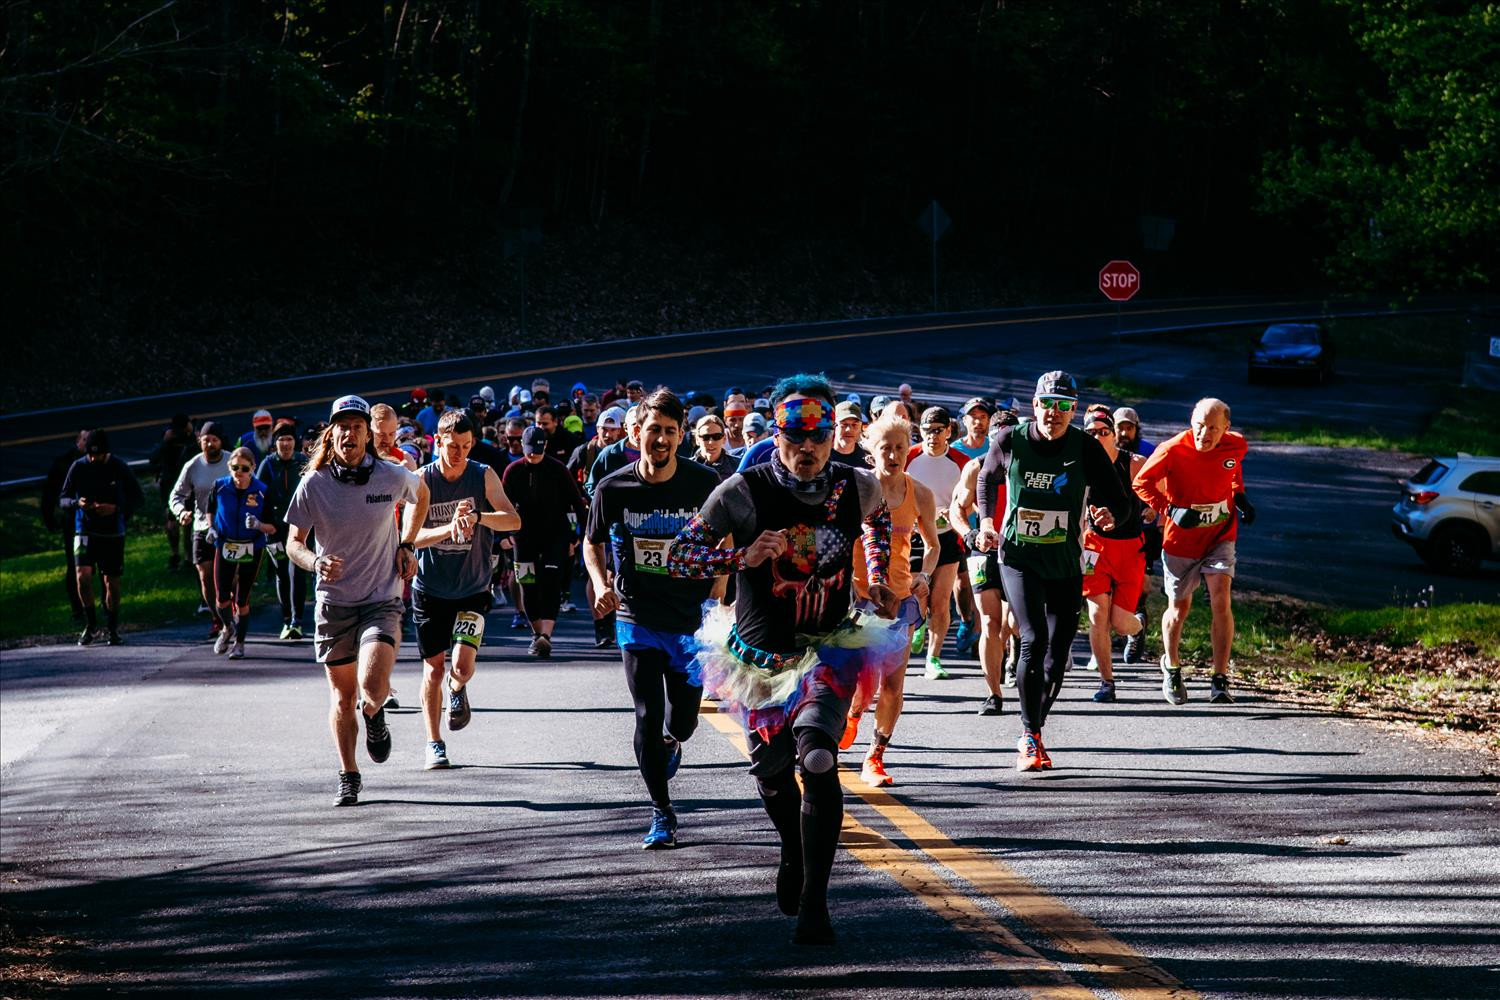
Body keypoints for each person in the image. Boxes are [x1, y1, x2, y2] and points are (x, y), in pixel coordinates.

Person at [667, 373, 905, 947]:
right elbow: (679, 558)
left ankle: (816, 906)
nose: (806, 448)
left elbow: (878, 526)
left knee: (819, 758)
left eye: (817, 437)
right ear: (776, 435)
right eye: (793, 436)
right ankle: (793, 854)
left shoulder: (861, 486)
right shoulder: (742, 491)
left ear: (833, 437)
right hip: (758, 657)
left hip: (829, 647)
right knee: (774, 779)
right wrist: (740, 554)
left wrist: (876, 573)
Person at [975, 371, 1133, 772]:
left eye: (1064, 406)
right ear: (1035, 405)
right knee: (1032, 638)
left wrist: (1108, 516)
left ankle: (1035, 723)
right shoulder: (1011, 439)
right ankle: (1031, 736)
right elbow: (986, 479)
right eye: (1048, 404)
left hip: (1064, 561)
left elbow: (1121, 501)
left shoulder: (1085, 447)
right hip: (1019, 557)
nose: (1055, 413)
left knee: (1057, 653)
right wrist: (986, 522)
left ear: (1074, 410)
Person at [585, 389, 720, 848]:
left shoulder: (704, 483)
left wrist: (720, 589)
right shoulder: (613, 487)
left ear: (681, 436)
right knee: (646, 713)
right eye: (652, 430)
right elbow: (592, 542)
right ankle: (662, 811)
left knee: (682, 721)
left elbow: (727, 536)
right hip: (635, 615)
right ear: (635, 433)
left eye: (668, 431)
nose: (659, 439)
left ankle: (673, 741)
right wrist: (602, 584)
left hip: (690, 620)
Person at [285, 395, 428, 807]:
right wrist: (315, 561)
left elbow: (423, 495)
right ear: (333, 434)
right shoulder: (313, 484)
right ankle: (349, 774)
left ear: (368, 434)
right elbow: (293, 543)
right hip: (334, 604)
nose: (350, 433)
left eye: (357, 426)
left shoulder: (390, 475)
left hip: (382, 597)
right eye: (342, 427)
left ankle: (375, 712)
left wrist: (408, 543)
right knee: (343, 697)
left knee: (371, 684)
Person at [409, 410, 521, 769]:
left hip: (473, 586)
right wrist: (448, 529)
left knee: (460, 664)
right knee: (433, 669)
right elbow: (409, 538)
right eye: (451, 445)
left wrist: (476, 517)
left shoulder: (482, 475)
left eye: (465, 446)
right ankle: (434, 742)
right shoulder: (422, 480)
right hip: (430, 588)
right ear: (437, 441)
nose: (457, 453)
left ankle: (459, 690)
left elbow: (513, 520)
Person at [1132, 398, 1253, 706]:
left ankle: (1220, 677)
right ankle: (1171, 667)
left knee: (1220, 597)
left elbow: (1233, 467)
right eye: (1199, 425)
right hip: (1181, 541)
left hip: (1220, 535)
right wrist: (1169, 509)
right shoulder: (1172, 450)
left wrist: (1239, 497)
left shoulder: (1236, 445)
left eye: (1212, 427)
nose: (1204, 433)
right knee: (1179, 609)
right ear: (1191, 422)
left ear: (1226, 428)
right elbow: (1141, 483)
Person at [842, 407, 940, 787]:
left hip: (898, 600)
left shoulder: (921, 494)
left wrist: (925, 576)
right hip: (856, 598)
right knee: (852, 681)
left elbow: (933, 545)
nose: (894, 455)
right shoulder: (855, 487)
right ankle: (849, 715)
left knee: (893, 684)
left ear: (909, 449)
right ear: (871, 449)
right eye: (886, 447)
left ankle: (875, 756)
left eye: (900, 447)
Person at [1077, 408, 1148, 702]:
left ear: (1113, 435)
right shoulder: (1077, 465)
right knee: (1096, 614)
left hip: (1130, 548)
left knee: (1120, 623)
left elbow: (1158, 493)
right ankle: (1107, 681)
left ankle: (1138, 626)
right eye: (1091, 433)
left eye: (1103, 432)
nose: (1097, 437)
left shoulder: (1133, 464)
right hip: (1095, 547)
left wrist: (1152, 508)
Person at [502, 426, 589, 658]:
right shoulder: (513, 471)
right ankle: (536, 634)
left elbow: (576, 502)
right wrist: (503, 535)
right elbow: (501, 504)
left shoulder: (558, 469)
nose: (533, 457)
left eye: (538, 452)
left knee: (551, 581)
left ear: (545, 447)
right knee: (527, 583)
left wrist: (580, 534)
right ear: (522, 446)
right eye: (530, 452)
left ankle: (547, 636)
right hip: (523, 535)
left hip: (555, 534)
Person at [58, 429, 144, 645]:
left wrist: (115, 508)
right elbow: (63, 498)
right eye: (91, 455)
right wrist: (78, 504)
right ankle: (90, 623)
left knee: (111, 581)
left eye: (100, 455)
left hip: (112, 532)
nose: (95, 459)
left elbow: (138, 497)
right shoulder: (78, 466)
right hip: (84, 529)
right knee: (82, 575)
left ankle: (112, 626)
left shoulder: (118, 466)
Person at [904, 406, 970, 680]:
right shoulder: (908, 457)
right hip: (913, 537)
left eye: (938, 430)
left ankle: (934, 658)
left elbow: (974, 500)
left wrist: (952, 512)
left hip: (947, 537)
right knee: (912, 596)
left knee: (941, 601)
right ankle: (915, 630)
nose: (932, 436)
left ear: (949, 431)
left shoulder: (962, 461)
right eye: (926, 430)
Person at [950, 450, 1015, 712]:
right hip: (983, 551)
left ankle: (1012, 655)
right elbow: (957, 507)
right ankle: (993, 695)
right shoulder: (975, 467)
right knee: (989, 621)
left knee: (1014, 623)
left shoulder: (1030, 465)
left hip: (1018, 551)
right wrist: (969, 533)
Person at [207, 447, 277, 658]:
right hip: (226, 544)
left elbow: (273, 527)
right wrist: (211, 528)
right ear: (229, 468)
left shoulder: (262, 490)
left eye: (244, 469)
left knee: (242, 599)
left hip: (251, 546)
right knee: (221, 597)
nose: (239, 473)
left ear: (252, 468)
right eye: (235, 468)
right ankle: (227, 627)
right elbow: (210, 509)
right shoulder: (220, 486)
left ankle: (240, 643)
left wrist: (258, 525)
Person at [170, 421, 231, 640]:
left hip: (228, 527)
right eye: (206, 440)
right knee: (205, 575)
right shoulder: (192, 466)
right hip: (201, 527)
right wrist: (180, 512)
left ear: (220, 441)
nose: (210, 444)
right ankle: (217, 619)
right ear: (199, 441)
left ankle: (230, 611)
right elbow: (176, 495)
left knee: (227, 576)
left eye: (214, 440)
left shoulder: (232, 462)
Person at [257, 421, 310, 640]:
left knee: (297, 573)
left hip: (299, 528)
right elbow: (257, 496)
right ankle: (286, 620)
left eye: (289, 439)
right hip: (274, 529)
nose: (285, 444)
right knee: (281, 573)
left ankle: (297, 621)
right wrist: (263, 524)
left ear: (294, 442)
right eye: (281, 440)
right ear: (275, 443)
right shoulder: (268, 464)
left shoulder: (303, 462)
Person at [42, 430, 89, 621]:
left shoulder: (104, 461)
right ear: (78, 441)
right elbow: (52, 491)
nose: (88, 444)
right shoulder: (64, 463)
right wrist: (49, 516)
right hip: (74, 522)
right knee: (76, 564)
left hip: (96, 520)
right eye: (85, 439)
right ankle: (78, 609)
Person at [149, 414, 198, 572]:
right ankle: (175, 554)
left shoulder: (194, 437)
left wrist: (195, 438)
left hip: (190, 483)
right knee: (172, 524)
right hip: (171, 483)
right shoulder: (168, 438)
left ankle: (189, 559)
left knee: (189, 522)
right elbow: (153, 458)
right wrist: (166, 442)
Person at [372, 403, 419, 472]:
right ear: (369, 432)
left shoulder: (406, 459)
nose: (387, 440)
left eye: (391, 434)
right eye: (381, 435)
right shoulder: (358, 460)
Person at [691, 413, 738, 480]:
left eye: (717, 437)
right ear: (697, 440)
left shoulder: (738, 465)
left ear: (724, 439)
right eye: (705, 437)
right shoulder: (686, 467)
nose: (711, 442)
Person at [829, 401, 871, 467]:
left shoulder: (868, 459)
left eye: (854, 424)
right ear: (833, 426)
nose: (849, 429)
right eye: (844, 424)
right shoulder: (823, 456)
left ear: (861, 427)